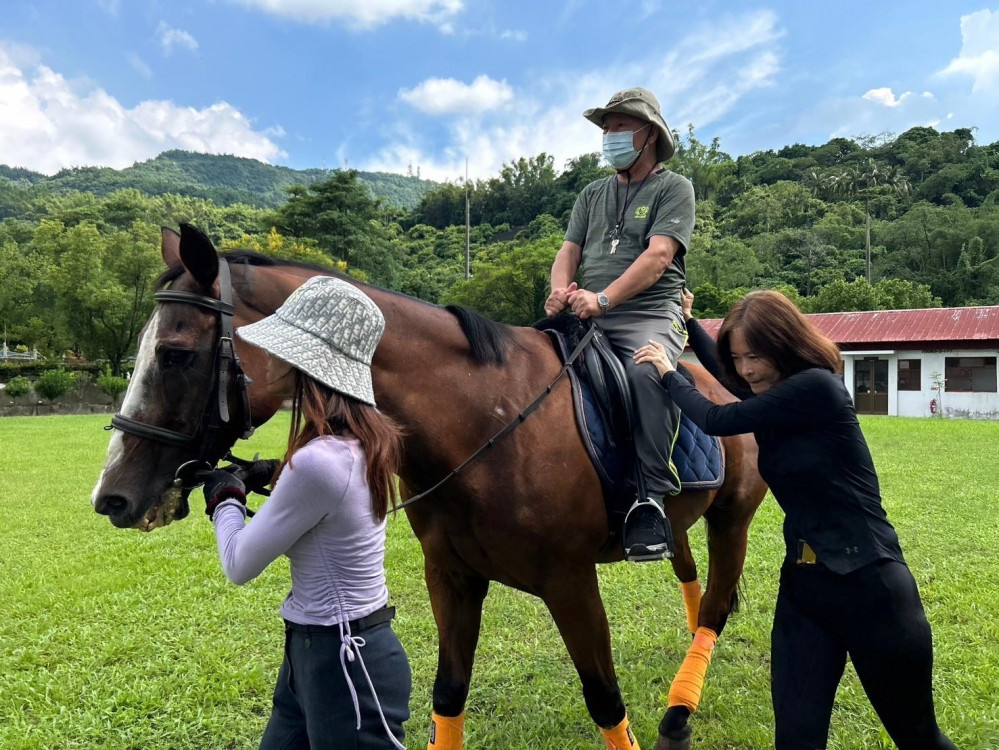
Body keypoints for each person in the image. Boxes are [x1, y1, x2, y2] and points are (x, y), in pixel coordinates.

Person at [634, 290, 955, 750]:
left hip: (872, 587)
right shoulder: (771, 389)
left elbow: (717, 416)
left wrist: (668, 372)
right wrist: (688, 325)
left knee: (918, 737)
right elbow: (731, 378)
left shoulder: (815, 388)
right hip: (804, 592)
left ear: (785, 344)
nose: (746, 369)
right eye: (739, 356)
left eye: (756, 356)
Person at [197, 276, 411, 750]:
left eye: (281, 346)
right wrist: (273, 473)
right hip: (316, 651)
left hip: (344, 662)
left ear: (307, 363)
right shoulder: (361, 443)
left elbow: (239, 564)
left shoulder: (317, 463)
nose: (267, 357)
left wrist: (225, 497)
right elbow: (327, 505)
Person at [544, 86, 695, 562]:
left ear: (648, 133)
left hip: (649, 314)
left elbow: (659, 256)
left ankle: (652, 498)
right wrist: (559, 287)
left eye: (617, 127)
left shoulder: (674, 189)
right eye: (605, 128)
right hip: (588, 310)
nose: (608, 136)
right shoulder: (592, 194)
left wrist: (604, 299)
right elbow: (569, 250)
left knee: (648, 373)